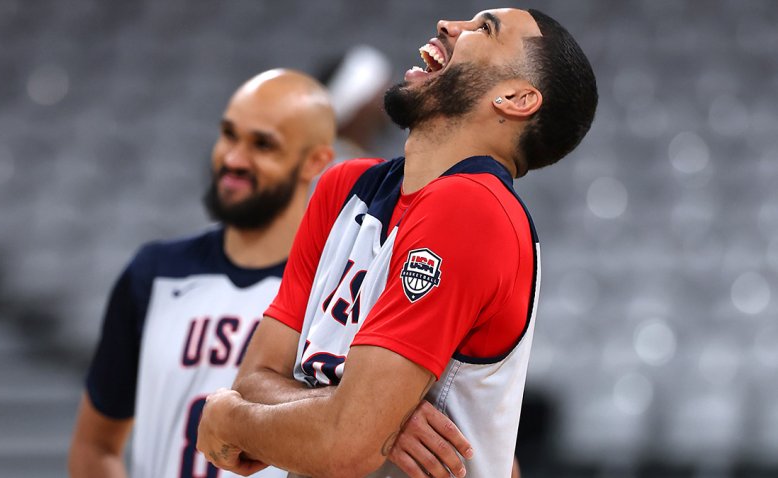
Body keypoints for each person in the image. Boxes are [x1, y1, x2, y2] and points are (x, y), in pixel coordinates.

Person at [198, 7, 597, 478]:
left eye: (484, 28)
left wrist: (228, 417)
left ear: (514, 97)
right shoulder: (342, 188)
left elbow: (341, 446)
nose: (449, 25)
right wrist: (367, 413)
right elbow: (252, 383)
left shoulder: (472, 210)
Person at [67, 69, 336, 478]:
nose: (234, 159)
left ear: (315, 161)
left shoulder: (334, 289)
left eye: (263, 144)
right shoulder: (155, 273)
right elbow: (95, 445)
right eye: (229, 135)